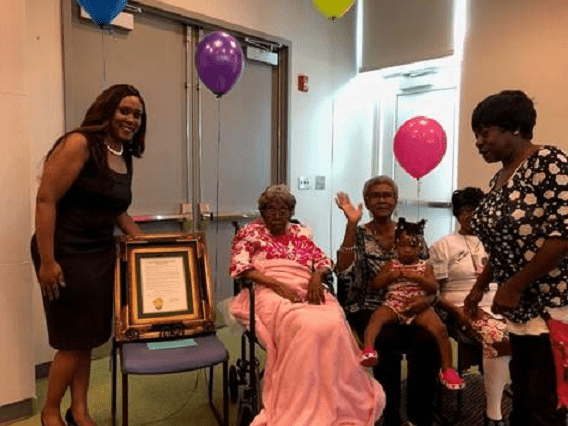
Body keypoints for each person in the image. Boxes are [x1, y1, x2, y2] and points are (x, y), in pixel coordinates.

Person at [31, 84, 146, 426]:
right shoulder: (79, 143)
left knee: (90, 337)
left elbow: (116, 211)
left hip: (99, 253)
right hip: (64, 253)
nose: (131, 119)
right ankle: (50, 411)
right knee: (71, 340)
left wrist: (145, 243)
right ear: (107, 109)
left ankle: (78, 410)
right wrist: (48, 261)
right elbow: (45, 200)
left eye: (137, 114)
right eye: (124, 110)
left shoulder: (123, 153)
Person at [230, 185, 385, 426]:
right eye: (271, 210)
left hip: (305, 283)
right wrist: (276, 285)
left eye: (284, 210)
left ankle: (335, 392)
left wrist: (316, 277)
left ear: (291, 212)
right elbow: (240, 268)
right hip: (267, 288)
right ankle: (301, 392)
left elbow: (322, 260)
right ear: (262, 212)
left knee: (333, 321)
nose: (278, 215)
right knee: (302, 323)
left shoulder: (301, 232)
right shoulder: (249, 233)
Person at [466, 89, 568, 426]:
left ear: (515, 128)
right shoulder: (500, 177)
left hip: (551, 305)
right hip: (520, 306)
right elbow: (504, 242)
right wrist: (480, 287)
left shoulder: (549, 162)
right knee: (524, 397)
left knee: (544, 403)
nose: (479, 142)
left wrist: (513, 286)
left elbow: (562, 235)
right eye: (476, 134)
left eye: (485, 132)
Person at [335, 175, 440, 426]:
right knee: (386, 345)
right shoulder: (359, 235)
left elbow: (427, 272)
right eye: (376, 196)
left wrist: (425, 301)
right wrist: (351, 225)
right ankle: (389, 416)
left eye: (387, 195)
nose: (382, 200)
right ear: (367, 202)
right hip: (370, 307)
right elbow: (343, 270)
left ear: (395, 201)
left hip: (411, 304)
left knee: (429, 341)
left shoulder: (411, 233)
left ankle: (419, 416)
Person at [430, 187, 511, 426]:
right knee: (499, 338)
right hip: (459, 305)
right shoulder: (444, 245)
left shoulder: (496, 242)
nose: (471, 215)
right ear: (456, 214)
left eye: (476, 209)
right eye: (465, 210)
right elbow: (435, 292)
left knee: (537, 334)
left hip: (498, 303)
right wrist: (456, 312)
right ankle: (493, 415)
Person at [360, 218, 465, 389]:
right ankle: (368, 350)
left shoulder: (425, 268)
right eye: (403, 245)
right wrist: (389, 276)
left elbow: (434, 287)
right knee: (377, 318)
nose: (407, 250)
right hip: (393, 304)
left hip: (419, 306)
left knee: (440, 329)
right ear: (396, 246)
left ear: (420, 248)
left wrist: (418, 279)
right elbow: (376, 284)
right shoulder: (391, 264)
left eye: (412, 246)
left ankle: (447, 369)